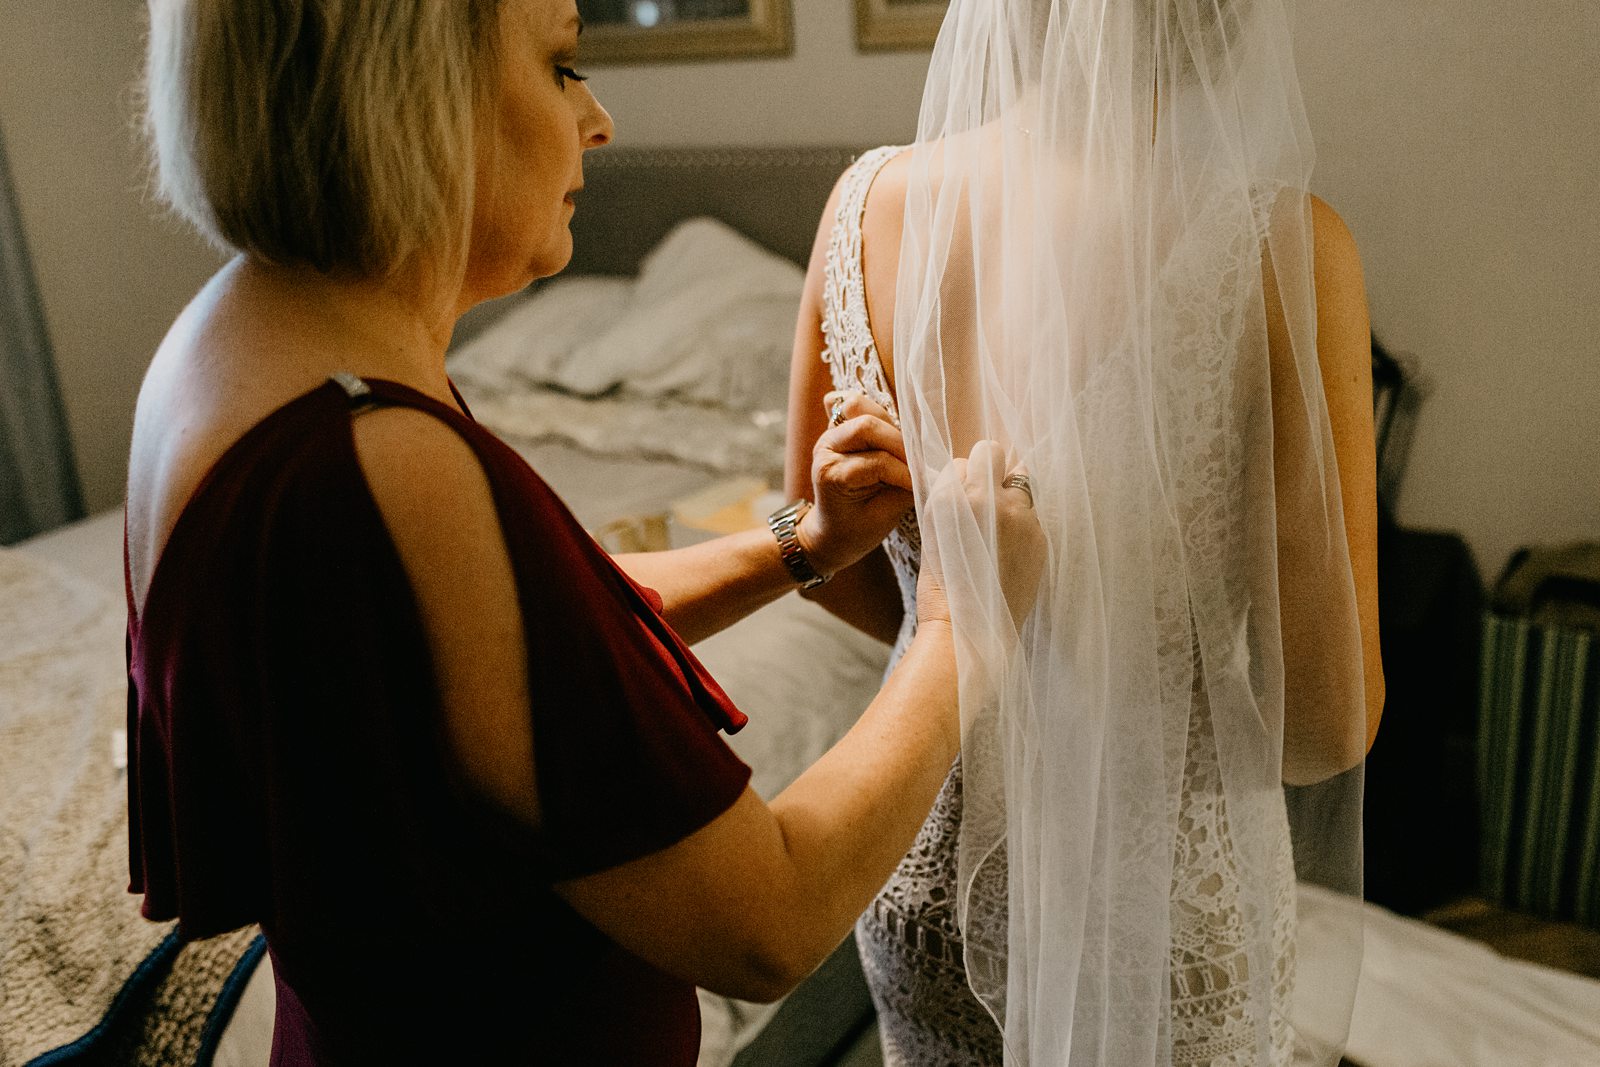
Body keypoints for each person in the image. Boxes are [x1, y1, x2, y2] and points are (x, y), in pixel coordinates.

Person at [127, 1, 1043, 1063]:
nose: (599, 119)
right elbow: (767, 920)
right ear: (415, 97)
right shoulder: (382, 456)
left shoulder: (237, 347)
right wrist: (961, 624)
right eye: (563, 65)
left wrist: (805, 540)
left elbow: (504, 647)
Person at [785, 0, 1384, 1063]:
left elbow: (827, 561)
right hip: (1167, 911)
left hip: (926, 879)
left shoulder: (865, 204)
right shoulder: (1280, 247)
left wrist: (966, 597)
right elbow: (1325, 726)